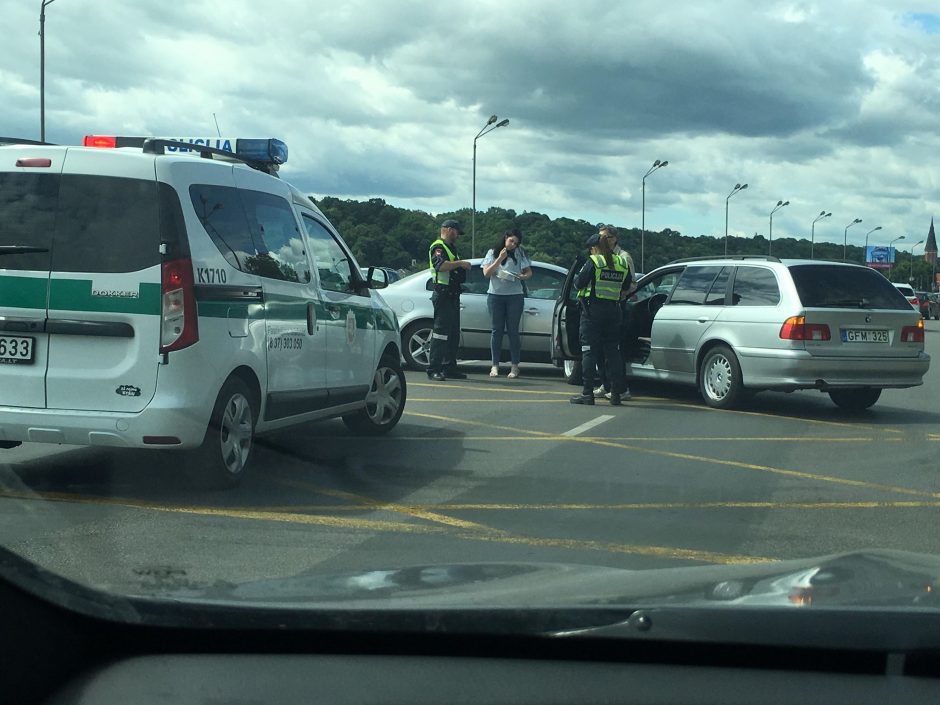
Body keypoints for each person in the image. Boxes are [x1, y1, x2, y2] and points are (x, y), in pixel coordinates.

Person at [570, 229, 630, 406]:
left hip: (592, 311)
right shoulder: (622, 261)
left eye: (590, 249)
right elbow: (626, 286)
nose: (590, 252)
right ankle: (616, 394)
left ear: (595, 248)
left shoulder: (594, 261)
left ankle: (587, 393)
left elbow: (578, 284)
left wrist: (581, 269)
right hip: (613, 311)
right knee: (613, 352)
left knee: (589, 350)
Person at [592, 224, 635, 400]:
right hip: (599, 308)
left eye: (605, 237)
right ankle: (606, 383)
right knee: (599, 351)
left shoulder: (624, 257)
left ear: (614, 238)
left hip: (617, 307)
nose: (601, 240)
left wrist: (618, 294)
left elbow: (632, 284)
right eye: (599, 237)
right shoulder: (598, 256)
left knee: (614, 351)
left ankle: (621, 388)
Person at [482, 228, 532, 378]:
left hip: (515, 296)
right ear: (505, 238)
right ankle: (494, 366)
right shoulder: (492, 252)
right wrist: (499, 259)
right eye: (511, 241)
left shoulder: (520, 253)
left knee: (513, 331)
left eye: (516, 243)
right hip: (495, 295)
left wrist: (523, 277)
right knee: (496, 331)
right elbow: (486, 274)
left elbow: (529, 272)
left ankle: (515, 366)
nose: (513, 245)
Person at [426, 219, 472, 381]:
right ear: (449, 230)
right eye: (457, 232)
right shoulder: (438, 247)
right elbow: (441, 266)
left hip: (452, 295)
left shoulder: (451, 248)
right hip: (443, 294)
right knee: (440, 334)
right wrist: (460, 263)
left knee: (452, 334)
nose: (458, 235)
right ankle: (434, 369)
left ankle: (449, 367)